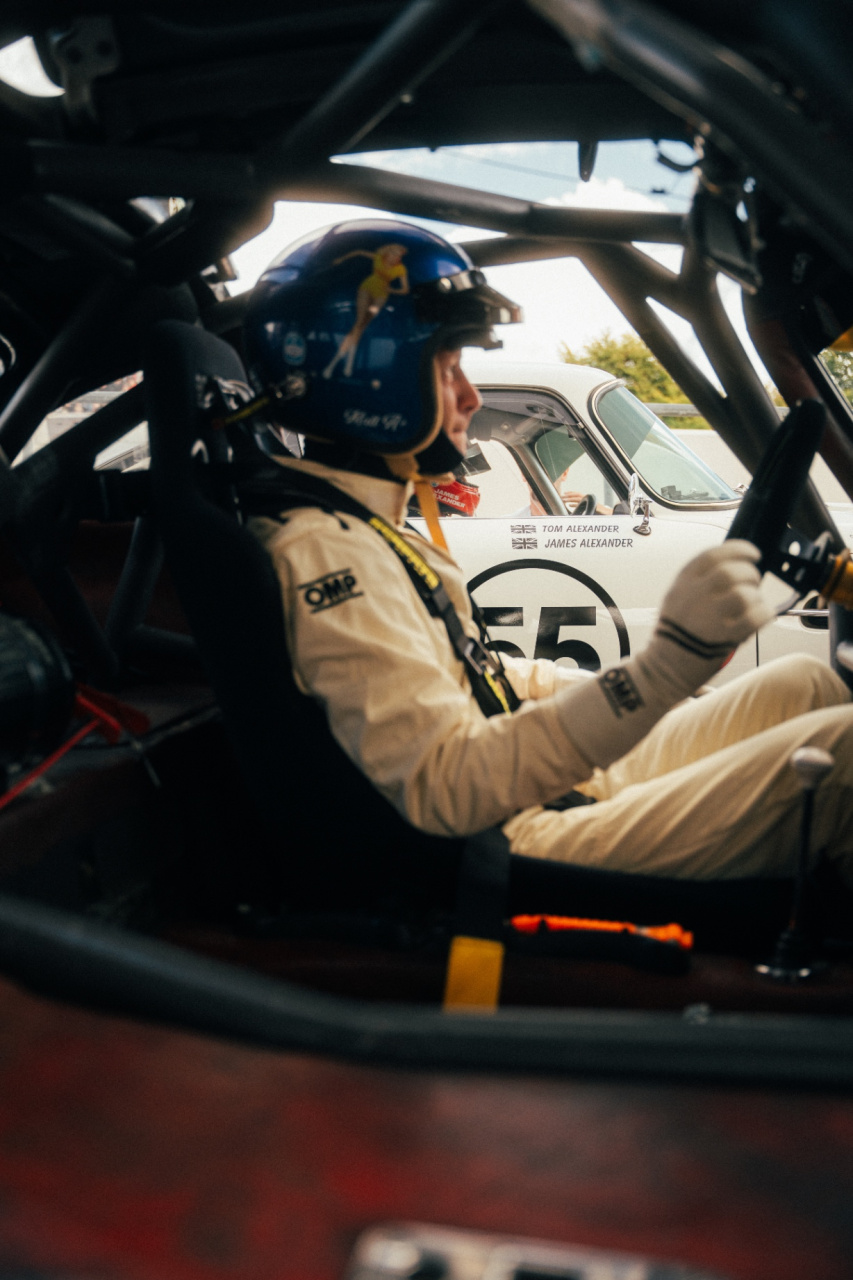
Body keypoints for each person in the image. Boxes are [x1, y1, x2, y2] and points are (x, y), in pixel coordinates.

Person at [243, 218, 853, 905]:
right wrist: (659, 672)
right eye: (448, 368)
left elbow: (486, 675)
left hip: (527, 784)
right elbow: (446, 788)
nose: (470, 398)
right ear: (373, 381)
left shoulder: (363, 523)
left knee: (802, 685)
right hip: (507, 839)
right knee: (846, 758)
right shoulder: (327, 551)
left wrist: (656, 694)